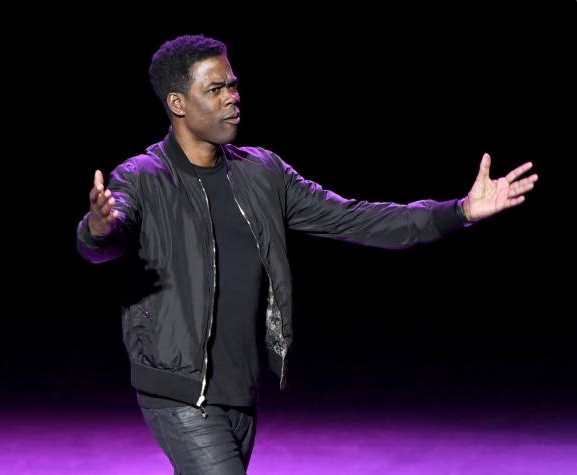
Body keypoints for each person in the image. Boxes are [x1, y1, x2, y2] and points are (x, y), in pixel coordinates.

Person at [76, 34, 538, 475]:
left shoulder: (263, 172)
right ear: (178, 103)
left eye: (233, 84)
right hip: (175, 389)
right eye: (215, 89)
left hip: (240, 386)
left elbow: (354, 218)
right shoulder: (142, 177)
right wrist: (100, 228)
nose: (232, 96)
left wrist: (458, 211)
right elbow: (109, 235)